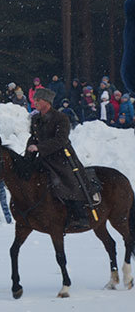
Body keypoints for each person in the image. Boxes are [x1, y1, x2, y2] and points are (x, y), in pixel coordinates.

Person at [26, 87, 91, 230]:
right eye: (34, 100)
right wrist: (29, 153)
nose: (35, 102)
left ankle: (80, 216)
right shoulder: (36, 118)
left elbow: (60, 140)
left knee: (68, 181)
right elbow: (33, 137)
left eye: (38, 100)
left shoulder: (61, 118)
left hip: (61, 157)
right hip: (43, 156)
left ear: (47, 102)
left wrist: (40, 148)